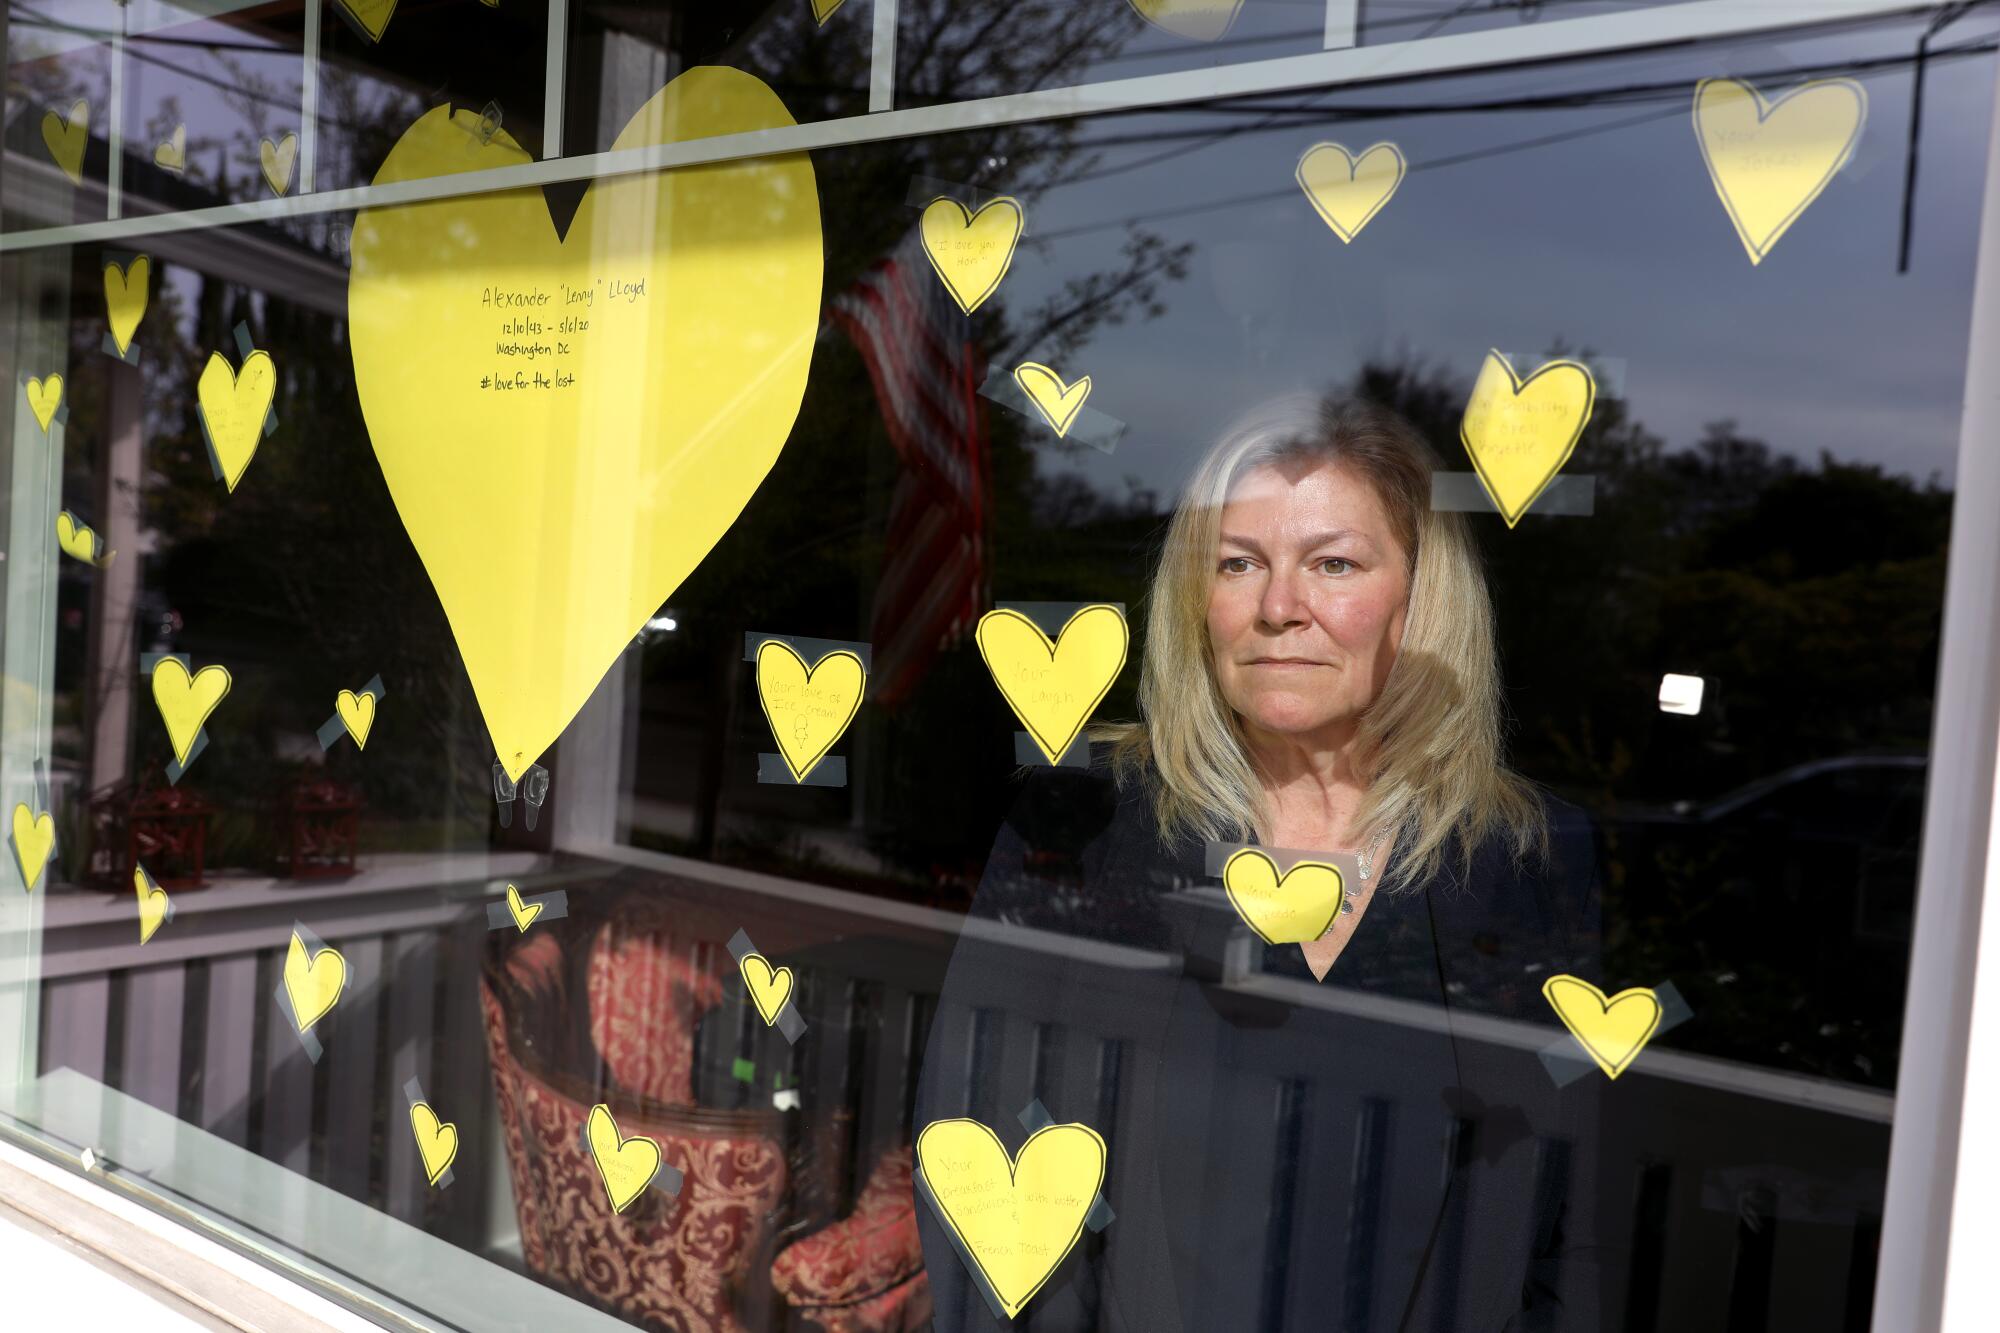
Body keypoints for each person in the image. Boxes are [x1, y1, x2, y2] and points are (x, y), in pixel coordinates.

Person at [913, 394, 1608, 1332]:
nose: (1281, 607)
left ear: (1419, 597)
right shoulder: (1088, 824)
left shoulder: (1522, 859)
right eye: (1239, 563)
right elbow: (982, 1155)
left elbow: (1571, 1222)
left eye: (1334, 563)